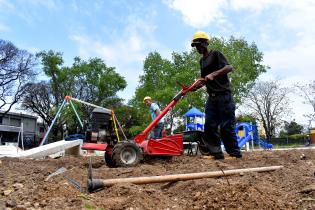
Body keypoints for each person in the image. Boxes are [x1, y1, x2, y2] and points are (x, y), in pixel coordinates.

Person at [191, 31, 242, 159]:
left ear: (205, 43)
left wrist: (213, 74)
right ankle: (216, 153)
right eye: (195, 46)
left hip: (224, 95)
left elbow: (229, 68)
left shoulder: (216, 54)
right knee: (209, 125)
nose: (197, 48)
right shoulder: (201, 61)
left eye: (198, 45)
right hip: (212, 97)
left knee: (226, 125)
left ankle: (234, 153)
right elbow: (204, 79)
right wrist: (196, 86)